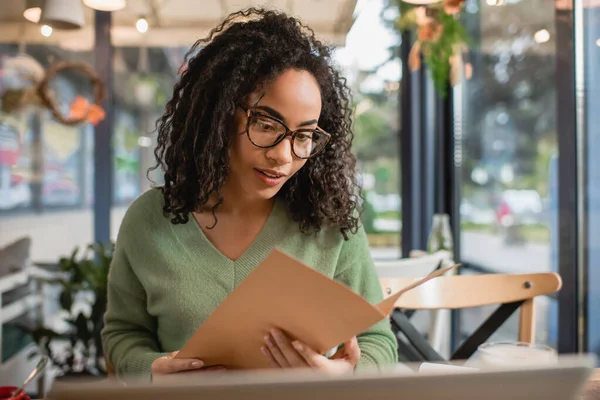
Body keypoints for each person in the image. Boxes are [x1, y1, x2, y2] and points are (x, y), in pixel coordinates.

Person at [101, 7, 398, 380]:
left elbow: (379, 342)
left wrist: (344, 377)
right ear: (219, 115)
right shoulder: (148, 221)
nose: (283, 155)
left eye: (304, 136)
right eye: (265, 123)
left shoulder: (330, 224)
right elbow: (122, 335)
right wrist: (153, 369)